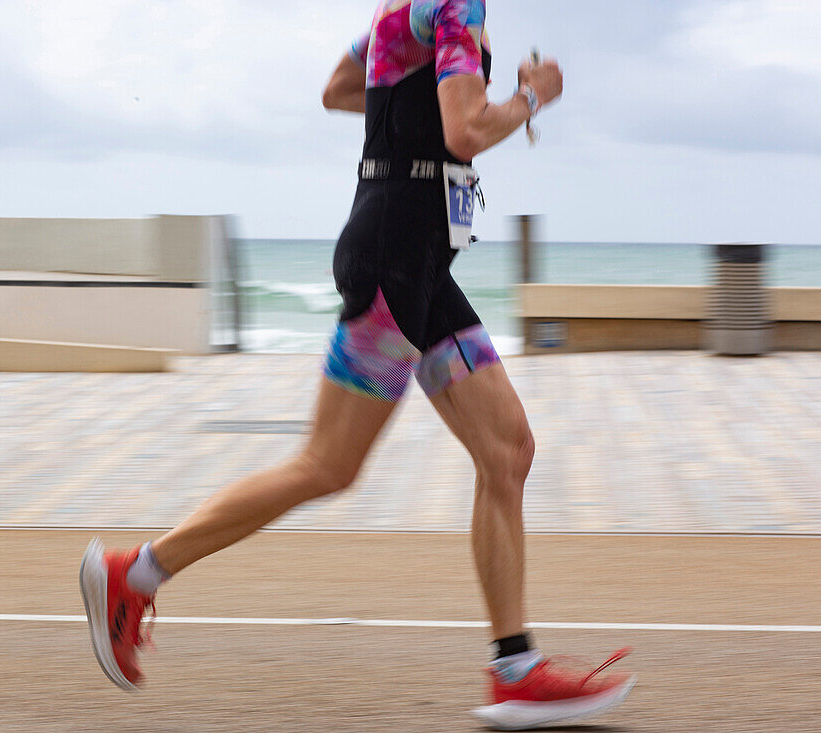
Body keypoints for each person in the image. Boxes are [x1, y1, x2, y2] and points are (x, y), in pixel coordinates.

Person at [79, 1, 635, 729]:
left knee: (508, 449)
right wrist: (533, 98)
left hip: (417, 261)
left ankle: (516, 669)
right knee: (327, 464)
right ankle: (136, 572)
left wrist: (413, 120)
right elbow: (465, 130)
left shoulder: (410, 14)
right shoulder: (454, 9)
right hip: (394, 260)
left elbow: (342, 87)